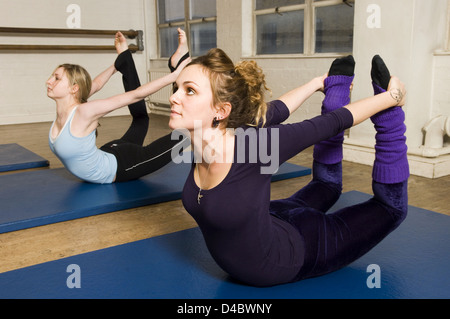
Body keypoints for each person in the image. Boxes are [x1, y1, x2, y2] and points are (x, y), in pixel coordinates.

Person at [168, 47, 408, 287]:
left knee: (391, 209)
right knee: (326, 186)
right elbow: (273, 111)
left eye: (189, 90)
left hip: (295, 251)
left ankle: (390, 118)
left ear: (220, 111)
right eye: (176, 88)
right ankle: (336, 93)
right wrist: (316, 83)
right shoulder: (204, 142)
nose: (174, 97)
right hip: (274, 221)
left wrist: (391, 98)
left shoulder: (255, 147)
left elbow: (331, 123)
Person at [46, 32, 190, 184]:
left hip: (122, 165)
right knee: (140, 121)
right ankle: (127, 59)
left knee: (187, 134)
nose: (48, 81)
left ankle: (181, 67)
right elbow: (97, 84)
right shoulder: (69, 106)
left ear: (73, 88)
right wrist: (118, 63)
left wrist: (175, 76)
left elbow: (136, 95)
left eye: (56, 78)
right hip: (110, 150)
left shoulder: (84, 112)